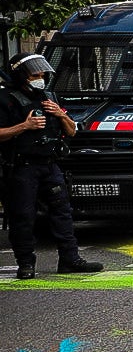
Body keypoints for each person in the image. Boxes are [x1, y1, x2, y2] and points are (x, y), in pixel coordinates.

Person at [0, 52, 103, 280]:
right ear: (21, 76)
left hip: (50, 165)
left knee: (63, 213)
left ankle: (70, 260)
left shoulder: (49, 97)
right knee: (23, 217)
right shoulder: (5, 99)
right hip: (22, 168)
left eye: (42, 74)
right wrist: (24, 126)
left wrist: (61, 115)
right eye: (35, 75)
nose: (40, 78)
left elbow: (72, 131)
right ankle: (25, 264)